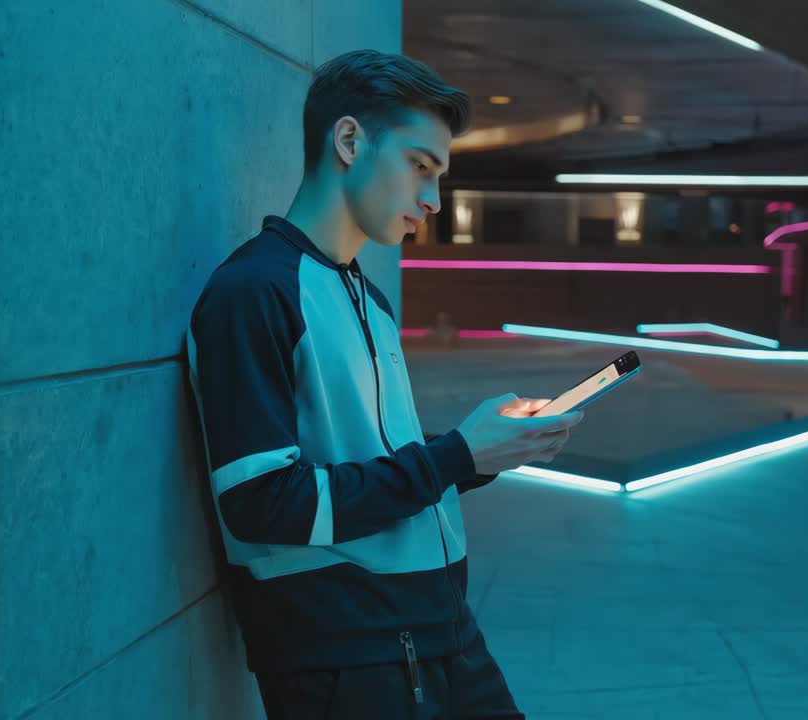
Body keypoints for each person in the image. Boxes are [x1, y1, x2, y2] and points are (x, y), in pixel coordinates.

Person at [186, 49, 584, 719]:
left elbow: (375, 468)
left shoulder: (370, 298)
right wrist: (455, 455)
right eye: (420, 167)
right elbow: (260, 503)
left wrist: (485, 450)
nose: (432, 200)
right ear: (349, 141)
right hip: (348, 659)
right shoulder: (254, 292)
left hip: (443, 632)